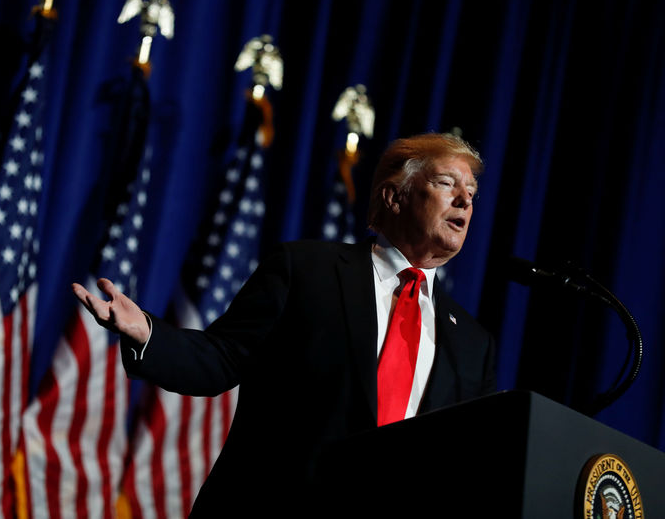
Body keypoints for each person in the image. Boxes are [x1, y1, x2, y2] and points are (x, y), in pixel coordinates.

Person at [72, 132, 497, 517]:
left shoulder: (471, 345)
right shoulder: (306, 270)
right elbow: (221, 358)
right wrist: (147, 332)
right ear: (394, 197)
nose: (465, 201)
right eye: (447, 184)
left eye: (472, 193)